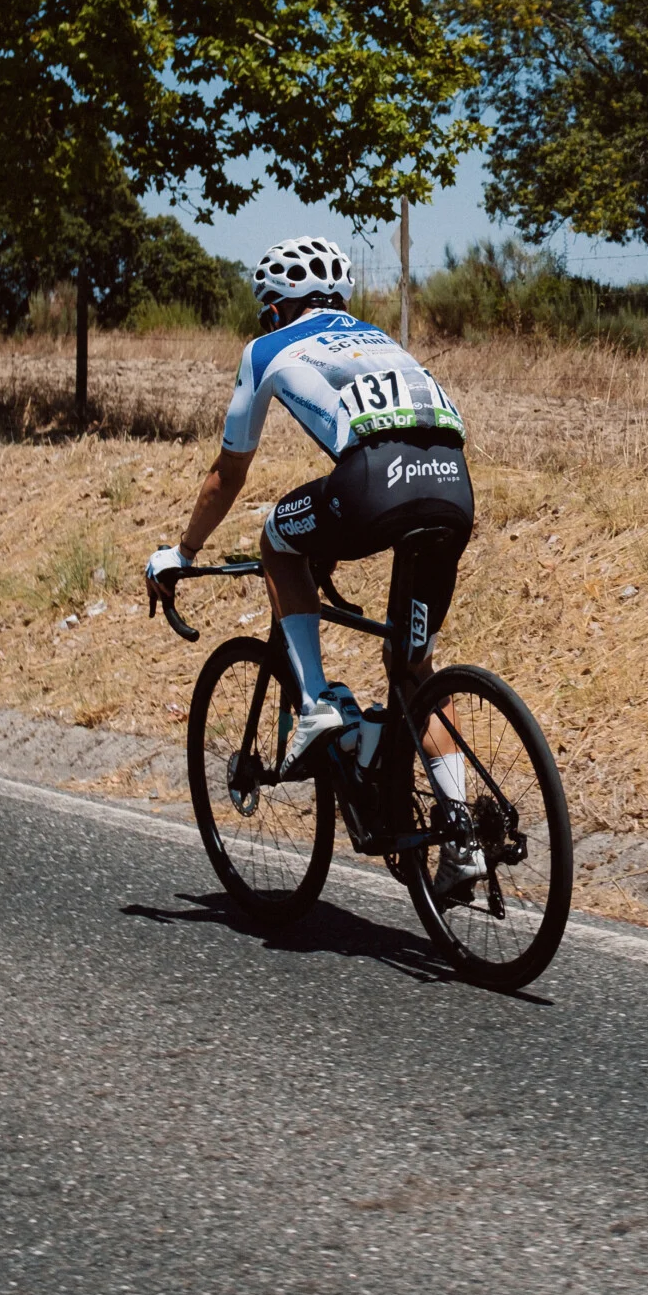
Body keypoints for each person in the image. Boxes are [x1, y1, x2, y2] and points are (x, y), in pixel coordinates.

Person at [144, 235, 484, 897]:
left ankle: (318, 706)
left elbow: (228, 472)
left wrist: (181, 552)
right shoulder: (381, 338)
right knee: (415, 670)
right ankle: (462, 830)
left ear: (275, 305)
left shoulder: (268, 348)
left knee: (276, 537)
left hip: (373, 483)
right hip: (452, 486)